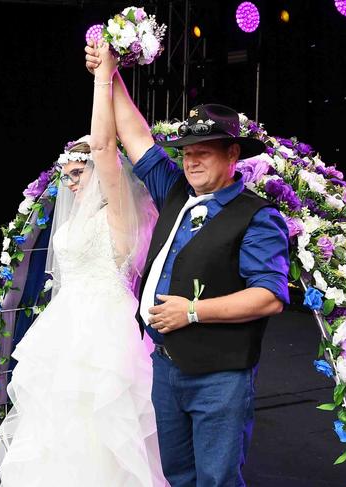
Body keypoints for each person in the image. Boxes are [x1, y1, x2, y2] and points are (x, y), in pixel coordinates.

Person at [86, 45, 290, 485]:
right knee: (177, 475)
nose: (191, 160)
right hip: (166, 365)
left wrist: (193, 311)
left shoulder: (258, 216)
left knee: (216, 478)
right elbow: (135, 136)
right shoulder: (177, 189)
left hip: (220, 378)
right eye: (186, 152)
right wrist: (111, 72)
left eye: (204, 152)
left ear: (233, 155)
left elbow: (271, 296)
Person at [0, 43, 167, 486]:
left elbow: (105, 147)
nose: (71, 183)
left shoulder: (119, 212)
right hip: (66, 321)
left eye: (79, 172)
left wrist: (103, 79)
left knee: (104, 417)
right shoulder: (76, 217)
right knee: (58, 423)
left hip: (107, 324)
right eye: (66, 175)